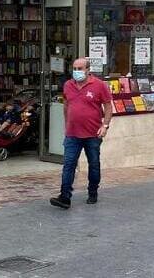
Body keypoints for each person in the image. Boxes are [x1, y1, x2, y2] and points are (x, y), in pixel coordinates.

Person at [49, 58, 114, 209]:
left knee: (94, 165)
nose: (77, 71)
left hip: (93, 134)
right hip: (72, 134)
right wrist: (67, 124)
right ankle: (64, 197)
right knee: (68, 165)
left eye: (80, 68)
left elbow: (108, 107)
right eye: (74, 68)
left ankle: (92, 192)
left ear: (88, 69)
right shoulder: (68, 85)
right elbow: (66, 105)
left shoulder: (99, 85)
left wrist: (105, 126)